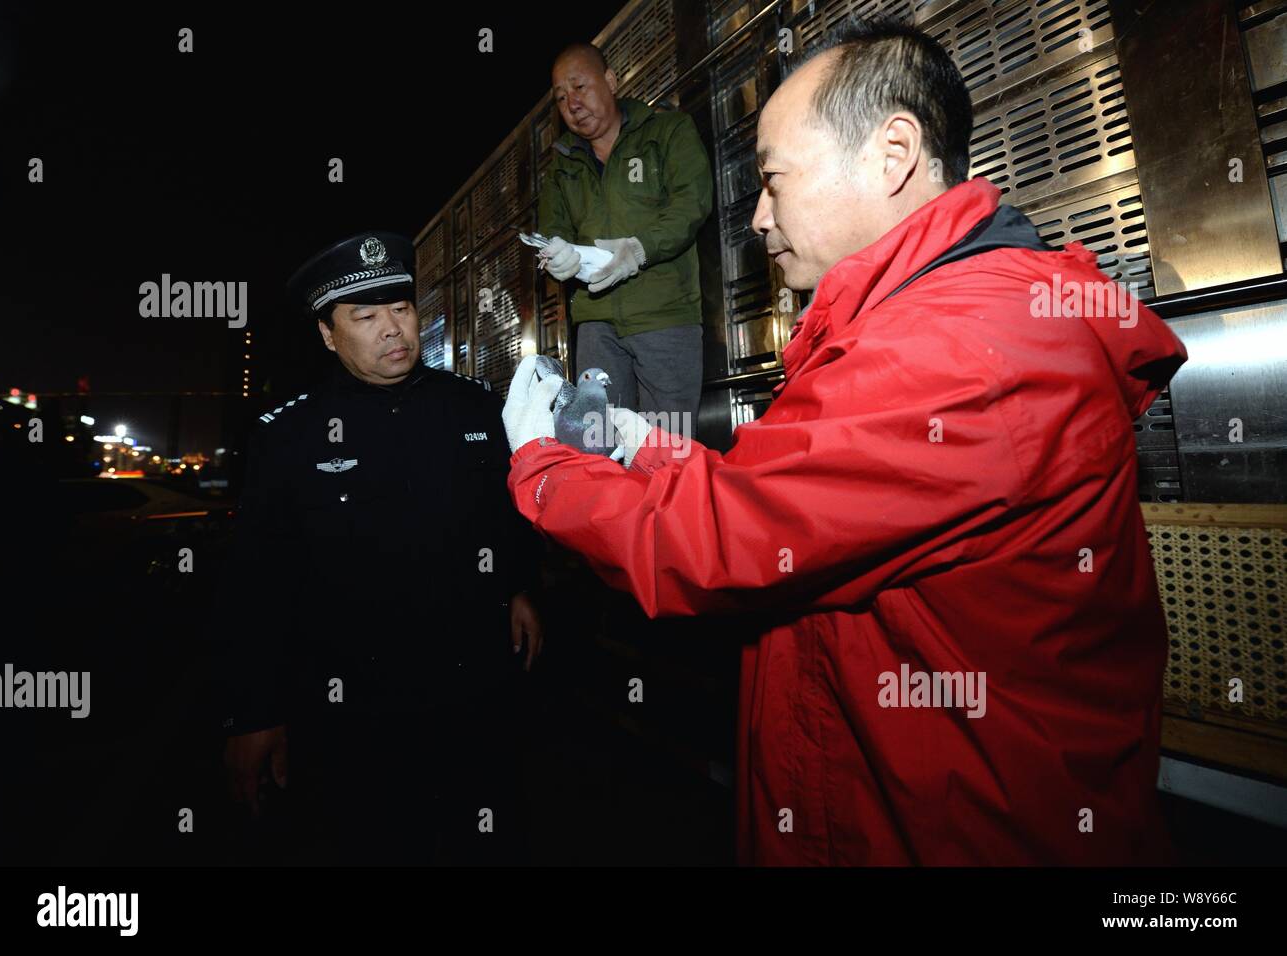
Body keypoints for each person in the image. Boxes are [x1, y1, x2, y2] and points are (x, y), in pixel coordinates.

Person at [500, 19, 1187, 865]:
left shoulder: (955, 348)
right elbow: (792, 492)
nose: (756, 217)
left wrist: (542, 469)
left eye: (773, 181)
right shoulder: (929, 322)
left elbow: (725, 538)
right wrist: (640, 443)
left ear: (891, 154)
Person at [219, 232, 544, 865]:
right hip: (354, 713)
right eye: (366, 317)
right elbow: (256, 580)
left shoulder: (472, 406)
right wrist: (253, 713)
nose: (392, 329)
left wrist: (519, 587)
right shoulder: (289, 434)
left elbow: (502, 518)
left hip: (473, 696)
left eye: (401, 309)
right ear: (327, 334)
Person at [536, 41, 713, 441]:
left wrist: (640, 248)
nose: (572, 103)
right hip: (595, 323)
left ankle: (672, 504)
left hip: (665, 319)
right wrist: (557, 254)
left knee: (669, 445)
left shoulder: (667, 131)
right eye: (562, 98)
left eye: (579, 87)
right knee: (597, 443)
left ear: (611, 81)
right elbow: (553, 230)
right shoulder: (563, 166)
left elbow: (692, 203)